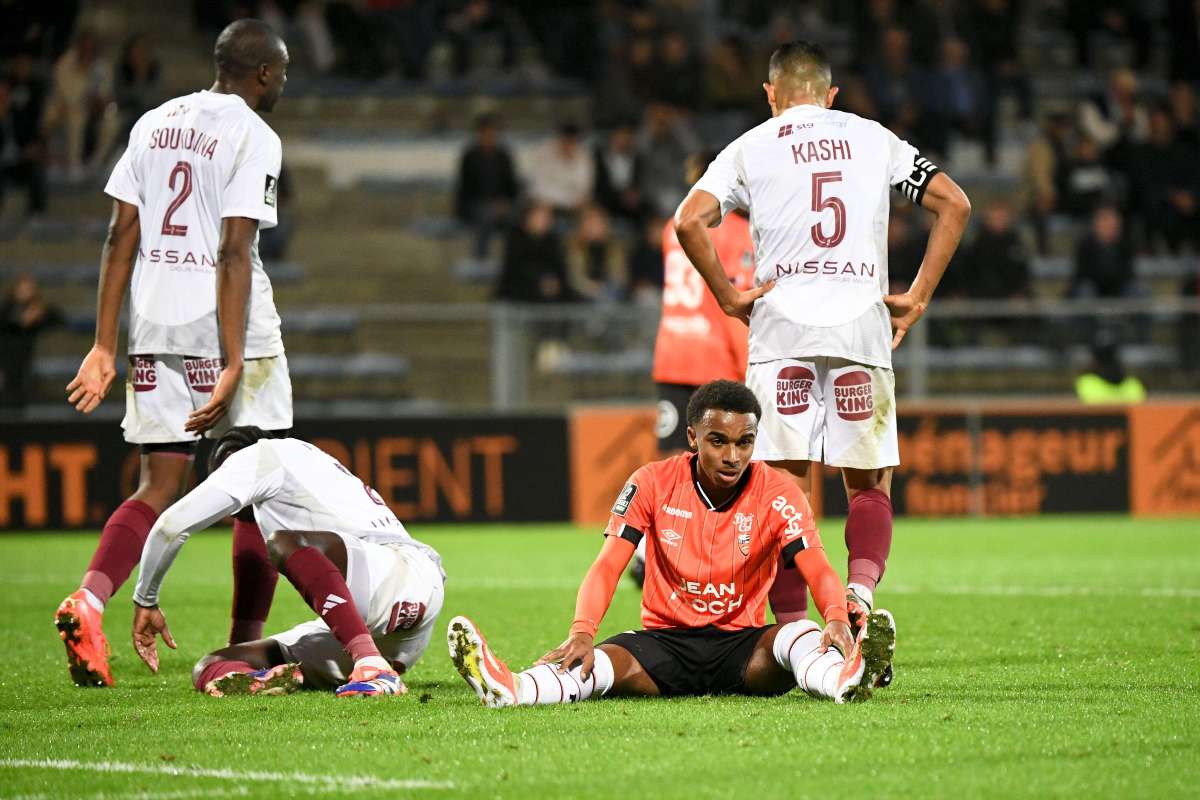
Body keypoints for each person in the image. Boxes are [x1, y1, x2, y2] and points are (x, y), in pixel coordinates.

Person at [674, 41, 970, 644]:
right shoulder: (872, 137)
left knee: (781, 489)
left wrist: (731, 297)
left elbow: (688, 220)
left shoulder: (751, 147)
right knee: (868, 481)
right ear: (831, 95)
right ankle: (858, 599)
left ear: (771, 95)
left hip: (782, 330)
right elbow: (954, 203)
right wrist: (917, 296)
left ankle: (793, 633)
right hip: (861, 327)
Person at [54, 19, 296, 689]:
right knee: (261, 494)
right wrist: (228, 358)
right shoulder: (255, 134)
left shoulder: (153, 122)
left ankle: (89, 600)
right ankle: (242, 650)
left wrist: (106, 343)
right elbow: (233, 249)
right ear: (265, 75)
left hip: (154, 323)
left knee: (158, 486)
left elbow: (118, 238)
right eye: (283, 75)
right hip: (228, 331)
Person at [448, 381, 895, 707]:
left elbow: (816, 566)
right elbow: (608, 565)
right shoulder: (651, 482)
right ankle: (513, 688)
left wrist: (836, 618)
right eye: (718, 441)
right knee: (594, 661)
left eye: (744, 443)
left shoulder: (779, 493)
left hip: (743, 649)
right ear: (692, 438)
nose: (732, 456)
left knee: (802, 636)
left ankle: (844, 679)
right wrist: (583, 630)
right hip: (663, 646)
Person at [130, 427, 444, 698]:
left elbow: (170, 527)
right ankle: (267, 679)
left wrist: (146, 598)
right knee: (209, 666)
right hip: (405, 628)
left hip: (397, 574)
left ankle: (370, 663)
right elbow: (256, 565)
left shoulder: (257, 456)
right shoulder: (307, 464)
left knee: (284, 543)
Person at [454, 113, 519, 260]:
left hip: (501, 205)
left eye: (493, 133)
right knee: (485, 214)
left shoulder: (504, 156)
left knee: (517, 217)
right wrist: (490, 204)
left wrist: (504, 203)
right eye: (486, 133)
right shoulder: (469, 156)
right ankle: (480, 259)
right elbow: (466, 189)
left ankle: (514, 260)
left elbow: (512, 186)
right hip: (474, 204)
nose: (489, 136)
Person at [0, 273, 62, 408]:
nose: (26, 293)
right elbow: (6, 323)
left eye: (30, 289)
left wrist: (39, 314)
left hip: (25, 361)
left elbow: (58, 319)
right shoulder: (7, 307)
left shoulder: (37, 309)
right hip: (7, 360)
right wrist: (20, 321)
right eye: (23, 288)